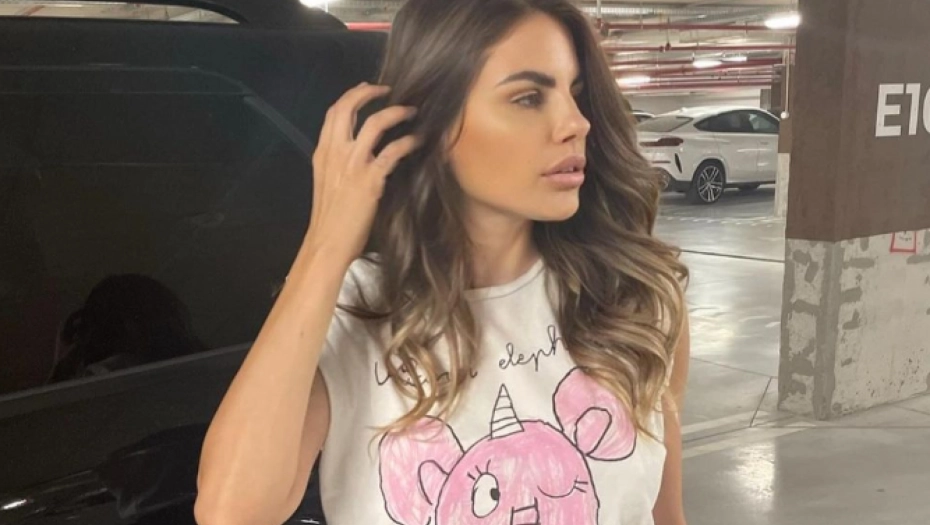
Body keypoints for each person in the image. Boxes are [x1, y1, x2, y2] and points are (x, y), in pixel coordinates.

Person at [194, 0, 690, 524]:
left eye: (576, 93)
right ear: (434, 123)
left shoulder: (633, 299)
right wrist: (327, 244)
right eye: (528, 98)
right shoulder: (356, 312)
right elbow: (232, 513)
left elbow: (664, 516)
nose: (575, 123)